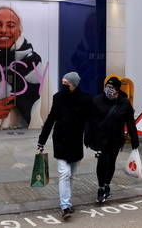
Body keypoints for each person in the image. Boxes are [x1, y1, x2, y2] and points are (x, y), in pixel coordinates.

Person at [37, 72, 92, 219]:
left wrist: (89, 137)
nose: (63, 85)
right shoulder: (58, 98)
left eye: (66, 83)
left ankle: (67, 202)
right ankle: (65, 206)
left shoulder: (85, 99)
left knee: (71, 175)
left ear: (74, 84)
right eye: (63, 82)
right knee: (64, 173)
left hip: (75, 142)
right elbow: (50, 120)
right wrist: (41, 142)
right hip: (60, 140)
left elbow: (89, 120)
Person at [85, 76, 139, 203]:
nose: (109, 89)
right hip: (101, 139)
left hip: (116, 139)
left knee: (111, 162)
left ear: (118, 89)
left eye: (112, 87)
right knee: (102, 162)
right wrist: (87, 136)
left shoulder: (124, 103)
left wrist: (134, 140)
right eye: (107, 87)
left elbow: (130, 122)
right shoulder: (96, 100)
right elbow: (89, 120)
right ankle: (101, 187)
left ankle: (107, 184)